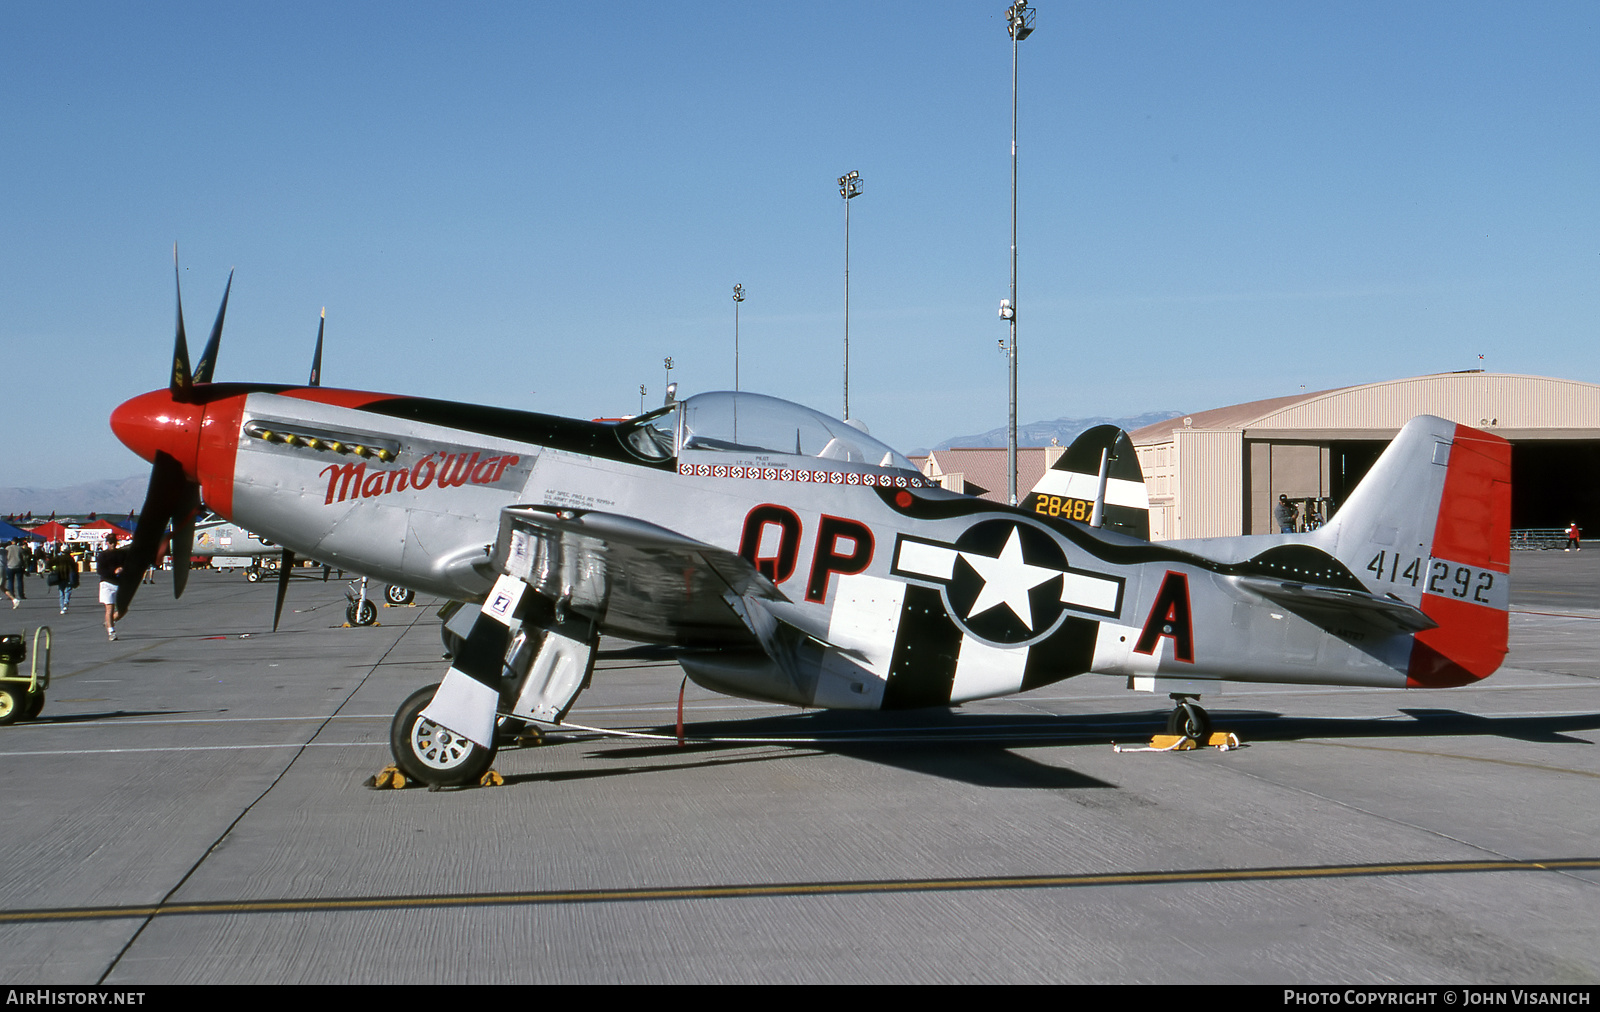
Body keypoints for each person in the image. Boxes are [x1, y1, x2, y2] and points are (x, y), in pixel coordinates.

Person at [97, 535, 128, 641]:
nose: (112, 544)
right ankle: (111, 631)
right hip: (106, 583)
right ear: (107, 543)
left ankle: (109, 622)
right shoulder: (102, 555)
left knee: (123, 610)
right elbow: (100, 571)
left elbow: (128, 565)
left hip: (119, 584)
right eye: (110, 542)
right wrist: (113, 572)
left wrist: (123, 569)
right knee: (110, 608)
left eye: (114, 542)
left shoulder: (122, 553)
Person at [48, 545, 79, 613]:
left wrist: (52, 569)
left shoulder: (58, 558)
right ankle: (66, 602)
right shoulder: (70, 558)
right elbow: (74, 569)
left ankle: (62, 608)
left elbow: (49, 563)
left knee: (61, 592)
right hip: (68, 577)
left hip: (60, 576)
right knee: (68, 590)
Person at [3, 539, 28, 603]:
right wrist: (24, 566)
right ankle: (21, 594)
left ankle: (11, 595)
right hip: (18, 566)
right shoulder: (19, 548)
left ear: (12, 542)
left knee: (10, 581)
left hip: (10, 566)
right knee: (20, 581)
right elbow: (24, 557)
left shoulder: (7, 548)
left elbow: (5, 557)